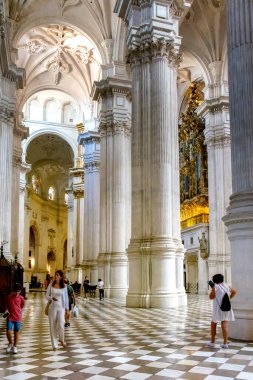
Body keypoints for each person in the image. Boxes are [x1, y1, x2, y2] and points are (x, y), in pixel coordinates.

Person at [207, 273, 236, 348]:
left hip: (218, 309)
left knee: (213, 324)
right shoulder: (227, 286)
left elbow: (211, 297)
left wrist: (213, 288)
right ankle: (225, 343)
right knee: (225, 325)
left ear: (214, 280)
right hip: (226, 308)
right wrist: (229, 298)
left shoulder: (215, 286)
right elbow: (234, 291)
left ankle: (212, 342)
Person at [46, 270, 69, 350]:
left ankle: (61, 339)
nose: (56, 276)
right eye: (56, 275)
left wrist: (67, 309)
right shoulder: (50, 285)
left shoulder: (64, 286)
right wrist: (51, 298)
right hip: (52, 307)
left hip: (61, 307)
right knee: (52, 325)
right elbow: (47, 296)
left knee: (61, 324)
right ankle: (54, 345)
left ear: (61, 277)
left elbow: (66, 298)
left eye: (58, 275)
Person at [4, 283, 25, 354]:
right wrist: (6, 310)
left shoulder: (21, 298)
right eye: (16, 291)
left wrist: (18, 311)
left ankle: (15, 346)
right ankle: (10, 343)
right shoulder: (9, 297)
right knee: (8, 331)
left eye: (18, 291)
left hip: (18, 317)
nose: (17, 293)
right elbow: (6, 306)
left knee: (16, 331)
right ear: (13, 290)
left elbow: (22, 305)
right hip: (10, 317)